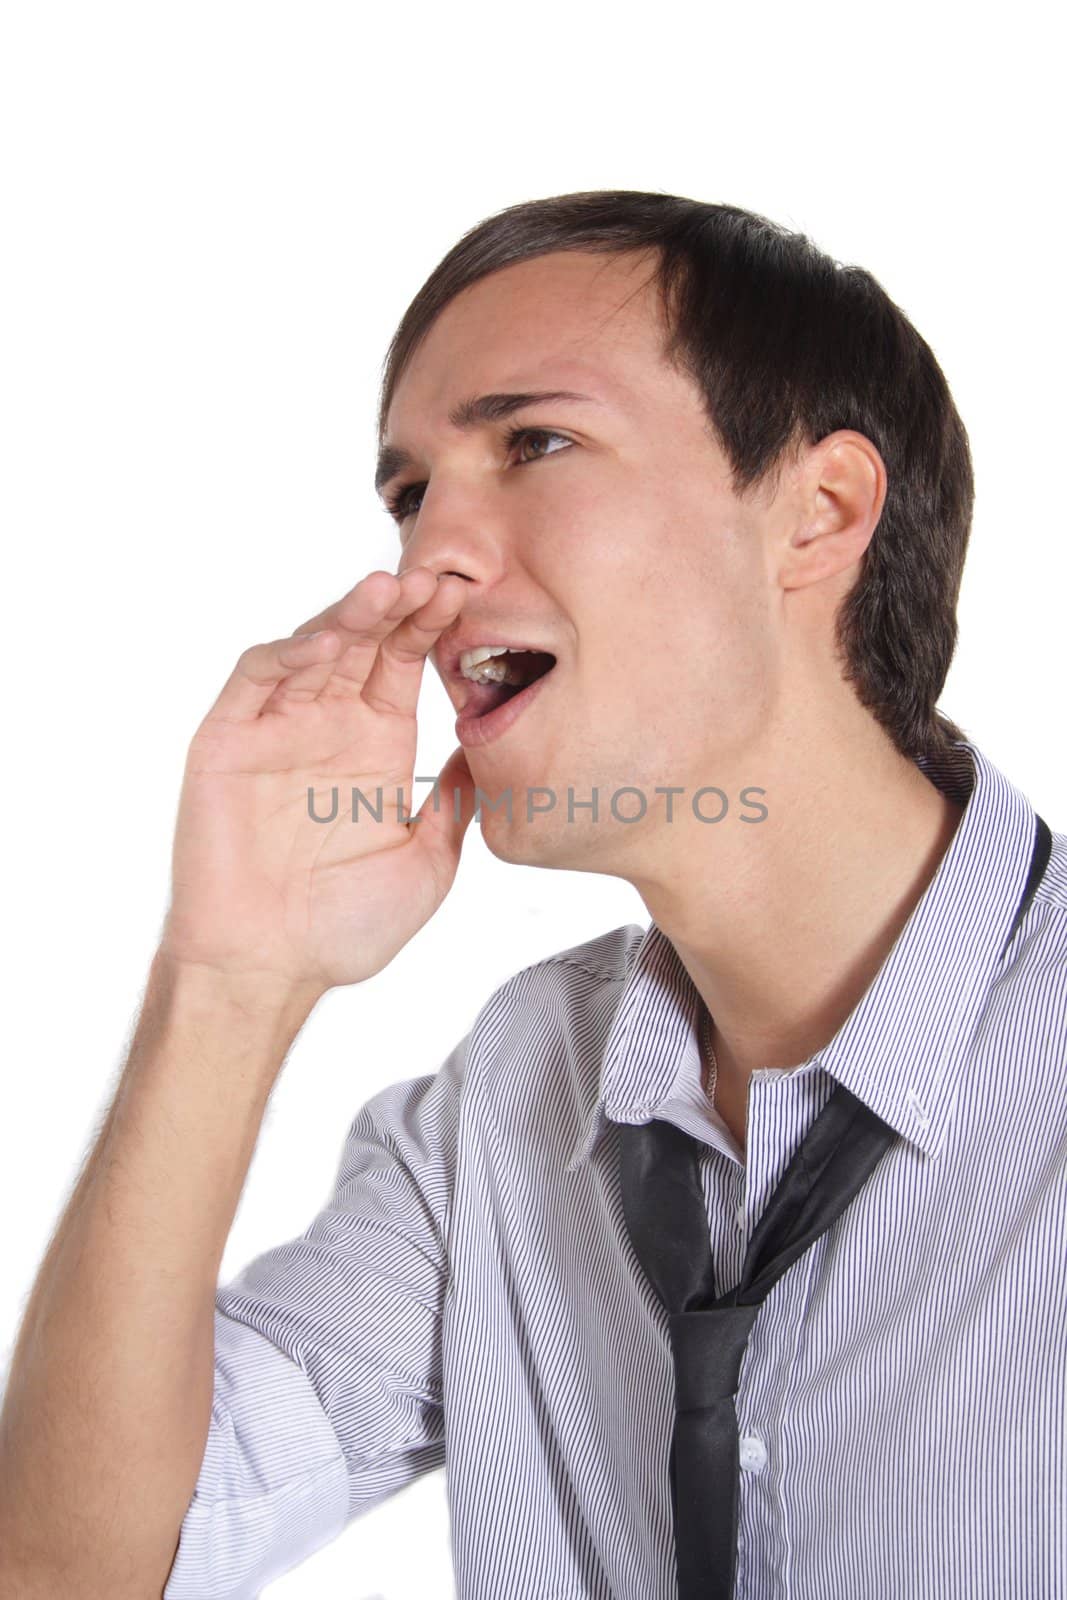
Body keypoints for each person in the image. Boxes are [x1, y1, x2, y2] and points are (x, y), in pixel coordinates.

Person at [0, 190, 1062, 1600]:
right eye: (410, 493)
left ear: (820, 513)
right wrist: (228, 980)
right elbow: (75, 1573)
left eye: (535, 442)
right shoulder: (511, 1108)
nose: (424, 561)